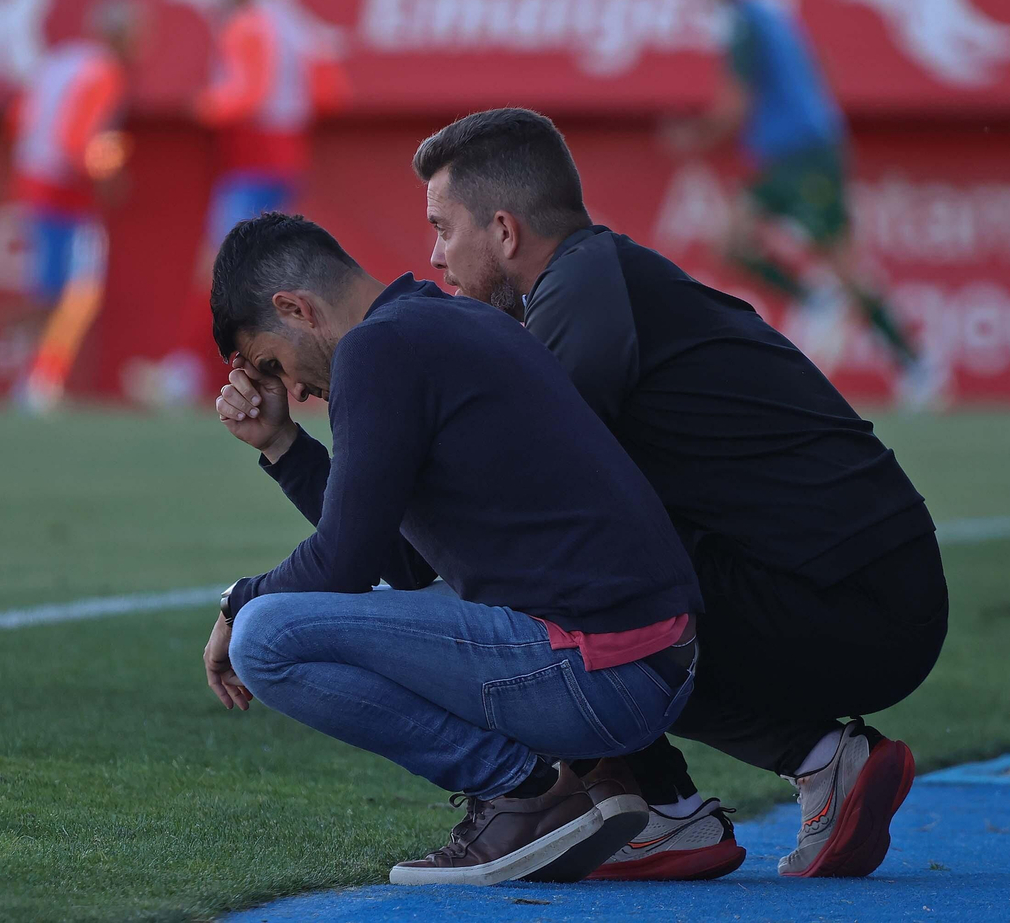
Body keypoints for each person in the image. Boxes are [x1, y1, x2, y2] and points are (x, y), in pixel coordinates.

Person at [415, 107, 949, 880]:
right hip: (868, 585)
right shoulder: (600, 279)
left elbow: (507, 504)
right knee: (559, 550)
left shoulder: (579, 293)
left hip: (851, 598)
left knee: (537, 566)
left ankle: (652, 807)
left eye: (443, 227)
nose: (435, 255)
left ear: (503, 231)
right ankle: (815, 760)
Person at [203, 212, 704, 886]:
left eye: (271, 361)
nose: (288, 387)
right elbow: (406, 564)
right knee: (298, 615)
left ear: (296, 308)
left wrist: (239, 600)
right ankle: (586, 782)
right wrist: (283, 445)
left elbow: (344, 561)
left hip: (602, 674)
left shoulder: (376, 349)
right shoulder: (446, 319)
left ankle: (524, 794)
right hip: (647, 662)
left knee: (264, 638)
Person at [662, 0, 947, 409]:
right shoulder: (766, 10)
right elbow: (816, 67)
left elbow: (734, 107)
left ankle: (917, 365)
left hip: (805, 155)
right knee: (730, 241)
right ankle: (816, 299)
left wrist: (692, 136)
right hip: (788, 155)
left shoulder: (745, 21)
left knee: (842, 264)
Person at [129, 0, 348, 409]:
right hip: (283, 156)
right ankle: (293, 375)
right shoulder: (290, 22)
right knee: (266, 276)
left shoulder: (251, 23)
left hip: (254, 156)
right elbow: (330, 89)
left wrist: (203, 104)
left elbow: (247, 93)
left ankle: (184, 375)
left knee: (220, 265)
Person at [0, 0, 145, 414]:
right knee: (74, 294)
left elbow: (19, 120)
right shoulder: (103, 72)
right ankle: (29, 379)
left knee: (55, 296)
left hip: (35, 183)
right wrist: (106, 170)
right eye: (136, 33)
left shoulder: (61, 62)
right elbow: (74, 141)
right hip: (65, 193)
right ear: (120, 34)